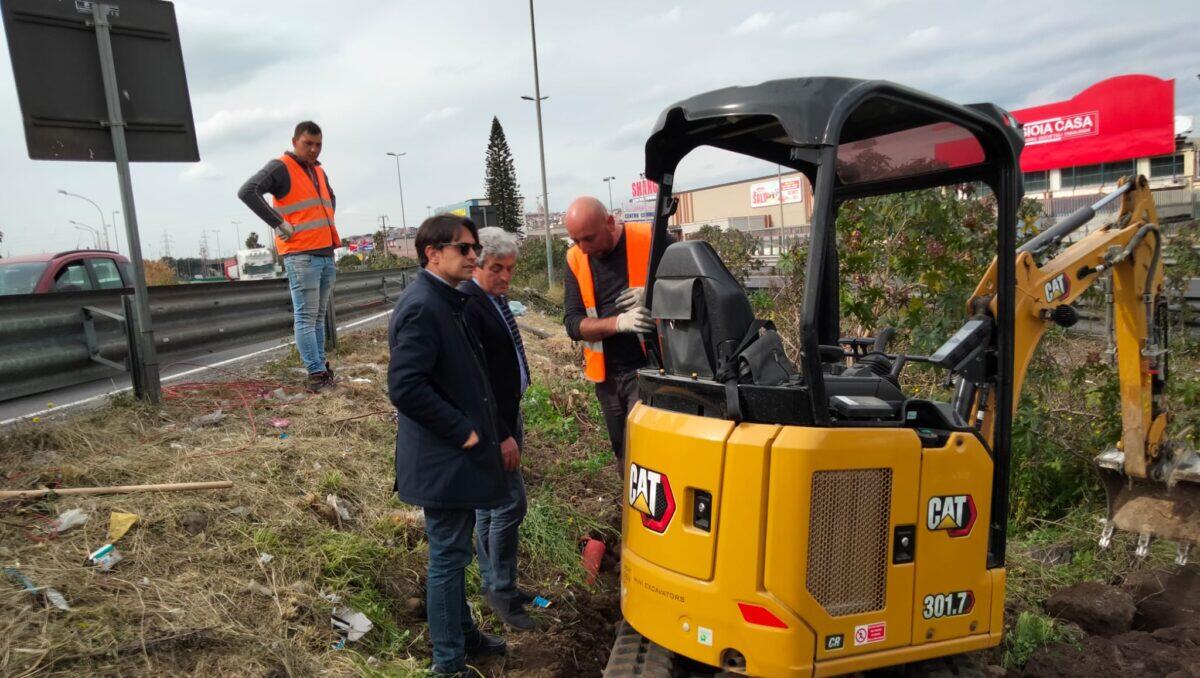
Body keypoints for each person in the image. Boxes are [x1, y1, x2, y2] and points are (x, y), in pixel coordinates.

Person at [388, 215, 508, 676]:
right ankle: (449, 663)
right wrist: (462, 430)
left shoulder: (445, 299)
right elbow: (405, 387)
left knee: (455, 553)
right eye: (464, 248)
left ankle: (464, 636)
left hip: (452, 459)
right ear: (432, 253)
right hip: (443, 459)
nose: (474, 256)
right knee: (447, 557)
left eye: (475, 247)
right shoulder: (424, 306)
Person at [460, 227, 535, 631]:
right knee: (509, 505)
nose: (505, 277)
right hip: (493, 424)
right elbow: (478, 382)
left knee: (490, 506)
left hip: (507, 413)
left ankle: (495, 584)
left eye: (510, 268)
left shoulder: (494, 299)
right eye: (496, 269)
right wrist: (501, 433)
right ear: (477, 265)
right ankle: (502, 592)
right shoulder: (470, 305)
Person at [562, 197, 667, 476]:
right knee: (622, 451)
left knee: (642, 451)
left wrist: (654, 294)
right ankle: (626, 498)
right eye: (575, 240)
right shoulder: (575, 258)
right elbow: (572, 323)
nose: (583, 248)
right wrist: (619, 323)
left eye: (588, 238)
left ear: (609, 223)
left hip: (649, 369)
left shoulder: (650, 238)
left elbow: (691, 284)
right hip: (607, 376)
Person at [238, 120, 340, 392]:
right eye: (308, 144)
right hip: (301, 254)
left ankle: (321, 369)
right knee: (306, 317)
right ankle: (316, 374)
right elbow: (247, 191)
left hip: (325, 252)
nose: (313, 149)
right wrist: (278, 222)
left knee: (317, 317)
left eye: (318, 145)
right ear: (295, 142)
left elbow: (330, 200)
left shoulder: (318, 171)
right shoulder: (281, 167)